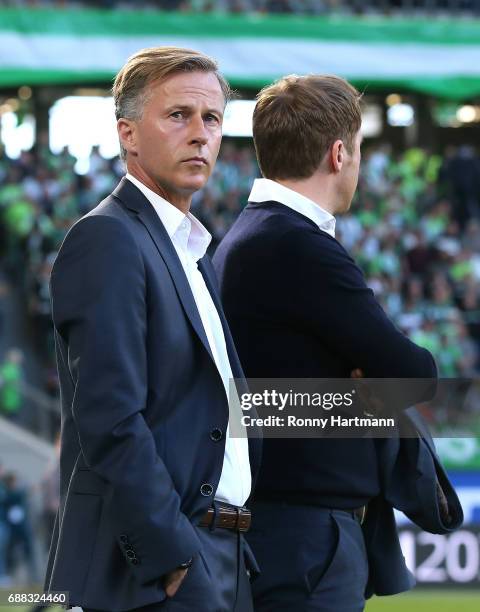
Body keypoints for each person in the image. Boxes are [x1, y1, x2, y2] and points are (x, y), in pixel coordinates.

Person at [213, 75, 445, 611]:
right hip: (306, 538)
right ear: (339, 154)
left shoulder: (248, 235)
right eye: (360, 148)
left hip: (285, 528)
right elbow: (414, 374)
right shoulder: (297, 244)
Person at [44, 46, 261, 612]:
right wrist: (174, 557)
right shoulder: (109, 239)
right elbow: (111, 419)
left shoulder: (194, 250)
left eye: (212, 118)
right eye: (178, 115)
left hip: (225, 556)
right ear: (128, 135)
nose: (200, 134)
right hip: (155, 569)